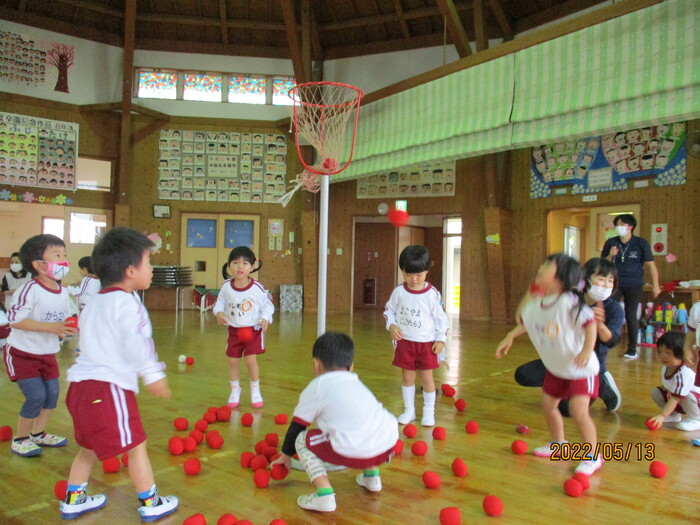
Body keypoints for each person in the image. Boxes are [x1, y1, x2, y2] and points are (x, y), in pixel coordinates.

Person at [61, 227, 179, 520]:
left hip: (79, 389)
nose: (152, 269)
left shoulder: (95, 301)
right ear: (130, 270)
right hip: (108, 389)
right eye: (148, 262)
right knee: (137, 446)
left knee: (88, 447)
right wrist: (152, 374)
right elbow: (136, 341)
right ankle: (151, 503)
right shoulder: (128, 303)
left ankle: (74, 499)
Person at [496, 253, 602, 476]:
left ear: (561, 278)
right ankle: (559, 444)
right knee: (548, 406)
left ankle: (593, 456)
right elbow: (524, 320)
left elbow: (590, 322)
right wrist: (510, 335)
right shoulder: (538, 303)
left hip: (581, 370)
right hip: (556, 369)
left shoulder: (568, 302)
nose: (542, 267)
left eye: (548, 266)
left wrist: (586, 349)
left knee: (578, 412)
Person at [270, 332, 398, 513]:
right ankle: (372, 477)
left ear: (316, 364)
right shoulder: (357, 383)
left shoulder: (318, 386)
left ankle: (324, 494)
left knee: (301, 439)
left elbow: (298, 426)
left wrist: (286, 456)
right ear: (351, 366)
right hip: (385, 447)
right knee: (365, 424)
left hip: (350, 451)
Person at [514, 258, 624, 413]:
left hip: (587, 366)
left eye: (610, 281)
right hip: (562, 358)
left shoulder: (614, 309)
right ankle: (565, 384)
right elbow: (538, 309)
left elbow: (612, 341)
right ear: (586, 278)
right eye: (601, 279)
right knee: (523, 375)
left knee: (567, 409)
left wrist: (598, 325)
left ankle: (602, 384)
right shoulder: (570, 298)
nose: (606, 285)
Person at [3, 234, 75, 457]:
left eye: (64, 255)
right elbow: (14, 320)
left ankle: (38, 433)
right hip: (22, 354)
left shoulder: (62, 292)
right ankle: (20, 439)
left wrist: (69, 326)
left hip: (47, 353)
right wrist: (50, 327)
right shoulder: (29, 290)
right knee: (36, 396)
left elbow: (67, 317)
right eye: (56, 255)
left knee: (51, 395)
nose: (63, 261)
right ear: (38, 264)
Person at [384, 245, 449, 427]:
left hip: (427, 344)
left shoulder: (432, 294)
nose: (413, 279)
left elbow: (441, 319)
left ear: (427, 271)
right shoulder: (398, 292)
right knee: (407, 378)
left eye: (418, 275)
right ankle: (409, 411)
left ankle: (428, 412)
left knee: (427, 378)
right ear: (402, 271)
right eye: (408, 274)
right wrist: (391, 326)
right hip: (405, 343)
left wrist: (441, 340)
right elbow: (389, 311)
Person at [213, 246, 274, 408]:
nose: (240, 267)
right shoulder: (226, 286)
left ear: (252, 267)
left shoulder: (256, 288)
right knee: (232, 361)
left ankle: (255, 389)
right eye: (235, 262)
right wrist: (219, 313)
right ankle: (235, 389)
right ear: (229, 265)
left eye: (245, 263)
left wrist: (265, 318)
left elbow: (267, 305)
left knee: (250, 361)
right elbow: (220, 302)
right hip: (234, 330)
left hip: (253, 330)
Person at [601, 214, 660, 359]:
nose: (618, 227)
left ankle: (632, 349)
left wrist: (656, 286)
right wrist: (610, 255)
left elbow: (651, 266)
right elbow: (602, 263)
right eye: (617, 224)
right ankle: (604, 344)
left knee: (631, 315)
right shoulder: (611, 242)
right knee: (607, 311)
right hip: (614, 284)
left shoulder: (640, 243)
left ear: (630, 227)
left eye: (622, 224)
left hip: (634, 284)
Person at [648, 332, 700, 431]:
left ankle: (696, 419)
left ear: (680, 354)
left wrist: (662, 415)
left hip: (696, 402)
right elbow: (667, 387)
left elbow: (676, 398)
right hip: (681, 402)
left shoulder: (683, 373)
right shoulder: (665, 368)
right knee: (656, 392)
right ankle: (673, 415)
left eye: (668, 353)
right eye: (660, 352)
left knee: (686, 395)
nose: (663, 356)